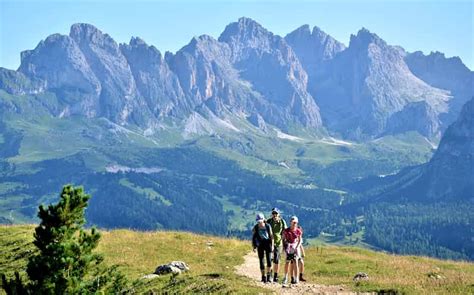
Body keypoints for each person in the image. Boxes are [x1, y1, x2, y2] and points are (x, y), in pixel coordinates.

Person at [266, 207, 287, 282]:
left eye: (276, 213)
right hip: (269, 243)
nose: (274, 215)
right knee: (269, 260)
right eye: (273, 213)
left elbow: (285, 232)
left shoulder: (282, 222)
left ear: (279, 214)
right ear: (271, 214)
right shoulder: (268, 221)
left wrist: (285, 243)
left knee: (277, 260)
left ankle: (275, 276)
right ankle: (269, 275)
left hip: (278, 243)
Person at [252, 213, 274, 283]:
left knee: (269, 261)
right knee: (261, 261)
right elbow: (254, 237)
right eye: (258, 221)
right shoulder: (256, 227)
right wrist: (254, 246)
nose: (259, 223)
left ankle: (268, 276)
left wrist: (273, 246)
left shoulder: (268, 226)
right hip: (260, 244)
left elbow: (271, 237)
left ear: (263, 220)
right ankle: (263, 277)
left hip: (268, 244)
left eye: (260, 221)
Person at [282, 216, 302, 285]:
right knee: (287, 262)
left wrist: (297, 247)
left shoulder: (298, 231)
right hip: (288, 247)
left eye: (295, 223)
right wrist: (284, 247)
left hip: (295, 247)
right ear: (290, 222)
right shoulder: (286, 230)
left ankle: (296, 278)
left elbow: (299, 240)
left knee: (295, 262)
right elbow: (283, 239)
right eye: (293, 222)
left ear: (297, 223)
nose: (294, 224)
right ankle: (285, 277)